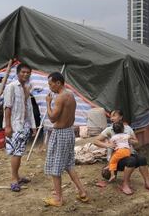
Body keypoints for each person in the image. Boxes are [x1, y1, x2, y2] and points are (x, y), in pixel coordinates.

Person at [43, 72, 88, 207]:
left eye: (51, 84)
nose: (50, 87)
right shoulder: (70, 95)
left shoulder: (60, 98)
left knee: (55, 167)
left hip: (60, 133)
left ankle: (58, 199)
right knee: (68, 164)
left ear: (58, 83)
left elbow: (52, 118)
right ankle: (82, 192)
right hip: (69, 132)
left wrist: (48, 103)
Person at [93, 109, 149, 195]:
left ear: (120, 117)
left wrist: (128, 140)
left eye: (114, 115)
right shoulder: (109, 129)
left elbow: (136, 142)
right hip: (116, 157)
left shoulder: (128, 129)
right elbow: (95, 141)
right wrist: (108, 145)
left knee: (142, 159)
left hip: (128, 153)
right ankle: (125, 184)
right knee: (131, 160)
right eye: (111, 116)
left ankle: (147, 183)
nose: (112, 118)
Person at [3, 63, 37, 192]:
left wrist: (33, 126)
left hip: (24, 125)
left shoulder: (26, 88)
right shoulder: (11, 87)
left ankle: (17, 176)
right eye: (23, 72)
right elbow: (7, 107)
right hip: (15, 125)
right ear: (17, 73)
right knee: (16, 153)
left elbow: (29, 109)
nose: (26, 74)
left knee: (19, 152)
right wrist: (7, 126)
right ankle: (13, 179)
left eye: (28, 73)